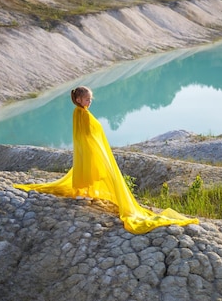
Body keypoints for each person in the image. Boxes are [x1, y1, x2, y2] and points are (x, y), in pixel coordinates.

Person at [13, 86, 199, 234]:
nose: (89, 102)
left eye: (90, 99)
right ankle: (83, 192)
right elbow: (88, 131)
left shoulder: (79, 112)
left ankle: (84, 191)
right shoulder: (82, 113)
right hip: (88, 146)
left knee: (86, 168)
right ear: (79, 100)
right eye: (87, 99)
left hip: (83, 146)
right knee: (89, 168)